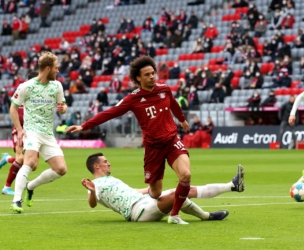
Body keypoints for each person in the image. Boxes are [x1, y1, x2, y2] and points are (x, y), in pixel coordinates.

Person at [67, 56, 241, 225]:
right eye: (147, 75)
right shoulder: (132, 99)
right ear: (138, 78)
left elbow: (173, 103)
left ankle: (175, 215)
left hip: (172, 140)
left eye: (153, 73)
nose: (152, 77)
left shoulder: (164, 89)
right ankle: (183, 209)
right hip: (153, 148)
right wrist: (84, 126)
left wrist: (181, 119)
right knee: (156, 192)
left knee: (186, 175)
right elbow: (110, 113)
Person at [82, 152, 245, 222]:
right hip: (138, 212)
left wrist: (149, 190)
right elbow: (92, 203)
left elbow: (132, 192)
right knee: (177, 193)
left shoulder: (111, 179)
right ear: (96, 166)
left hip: (145, 201)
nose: (108, 163)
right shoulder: (95, 185)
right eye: (105, 161)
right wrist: (91, 191)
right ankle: (206, 216)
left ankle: (232, 186)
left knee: (187, 188)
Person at [9, 52, 68, 213]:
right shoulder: (26, 86)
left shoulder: (57, 86)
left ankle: (30, 186)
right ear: (48, 68)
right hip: (32, 131)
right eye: (56, 68)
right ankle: (16, 200)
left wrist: (63, 109)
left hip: (48, 134)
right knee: (30, 162)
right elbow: (13, 107)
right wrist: (20, 130)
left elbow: (63, 106)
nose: (58, 71)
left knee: (61, 169)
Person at [0, 71, 39, 195]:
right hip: (20, 129)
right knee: (21, 159)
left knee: (33, 165)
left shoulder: (40, 94)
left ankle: (7, 159)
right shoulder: (23, 90)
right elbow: (14, 109)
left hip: (33, 132)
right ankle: (7, 187)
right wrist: (19, 128)